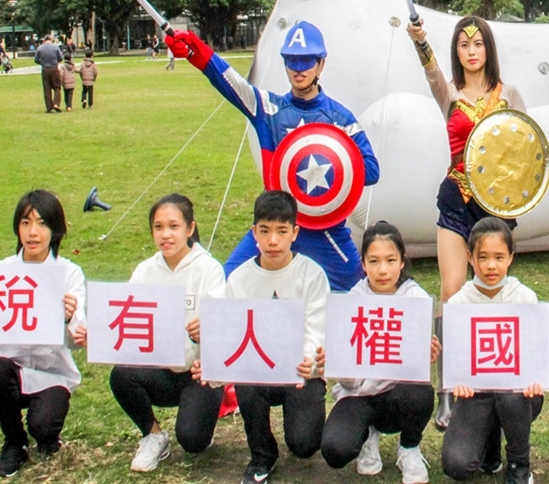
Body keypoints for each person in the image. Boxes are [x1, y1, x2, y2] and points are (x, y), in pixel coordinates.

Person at [165, 23, 379, 292]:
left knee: (361, 293)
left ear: (320, 64)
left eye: (306, 61)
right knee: (226, 285)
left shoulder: (340, 119)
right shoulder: (269, 108)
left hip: (325, 230)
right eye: (292, 61)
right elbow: (229, 82)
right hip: (274, 224)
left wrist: (330, 158)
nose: (298, 68)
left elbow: (371, 170)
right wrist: (196, 52)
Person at [405, 15, 524, 428]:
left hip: (495, 206)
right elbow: (432, 72)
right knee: (453, 294)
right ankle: (447, 390)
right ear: (456, 52)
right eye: (463, 45)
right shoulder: (449, 93)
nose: (471, 51)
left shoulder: (509, 94)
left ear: (488, 49)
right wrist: (421, 42)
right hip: (456, 199)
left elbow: (526, 153)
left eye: (478, 43)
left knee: (494, 291)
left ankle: (494, 377)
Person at [72, 195, 225, 473]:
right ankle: (153, 435)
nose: (165, 234)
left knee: (193, 441)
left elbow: (226, 328)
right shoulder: (146, 270)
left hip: (199, 373)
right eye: (158, 227)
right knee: (122, 374)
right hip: (159, 369)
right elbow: (125, 321)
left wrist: (209, 328)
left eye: (173, 226)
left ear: (190, 229)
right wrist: (97, 337)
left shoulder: (209, 269)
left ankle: (202, 423)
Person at [193, 190, 329, 484]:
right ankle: (261, 455)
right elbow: (229, 333)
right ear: (254, 232)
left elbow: (317, 328)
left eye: (282, 231)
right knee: (246, 376)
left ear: (295, 232)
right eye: (265, 231)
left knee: (304, 445)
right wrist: (213, 366)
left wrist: (309, 362)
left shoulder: (312, 275)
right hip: (258, 373)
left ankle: (299, 432)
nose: (273, 241)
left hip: (298, 373)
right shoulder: (240, 278)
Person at [0, 191, 85, 477]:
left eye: (42, 223)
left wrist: (69, 319)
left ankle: (46, 437)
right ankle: (14, 441)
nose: (33, 232)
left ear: (56, 229)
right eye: (25, 223)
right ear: (17, 227)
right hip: (10, 372)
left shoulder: (69, 273)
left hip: (53, 373)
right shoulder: (1, 273)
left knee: (44, 428)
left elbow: (76, 344)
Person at [320, 221, 438, 484]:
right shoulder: (351, 302)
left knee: (420, 393)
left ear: (402, 261)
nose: (382, 270)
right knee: (335, 450)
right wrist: (339, 365)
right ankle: (367, 436)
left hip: (399, 395)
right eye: (374, 261)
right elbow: (347, 382)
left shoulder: (415, 300)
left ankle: (409, 448)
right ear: (363, 264)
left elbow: (417, 370)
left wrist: (426, 354)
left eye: (390, 260)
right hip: (358, 394)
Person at [441, 218, 544, 484]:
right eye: (483, 257)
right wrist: (458, 383)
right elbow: (456, 361)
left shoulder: (525, 298)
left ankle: (520, 463)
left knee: (510, 397)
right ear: (469, 257)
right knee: (457, 465)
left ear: (511, 257)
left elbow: (534, 356)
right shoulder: (458, 303)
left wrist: (535, 380)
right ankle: (490, 444)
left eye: (499, 257)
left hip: (519, 394)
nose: (490, 265)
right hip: (476, 394)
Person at [33, 35, 64, 113]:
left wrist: (42, 63)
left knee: (47, 89)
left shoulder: (40, 48)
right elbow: (60, 58)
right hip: (54, 68)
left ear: (44, 40)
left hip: (45, 69)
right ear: (51, 40)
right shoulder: (55, 47)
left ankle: (49, 108)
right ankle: (56, 103)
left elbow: (36, 60)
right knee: (57, 87)